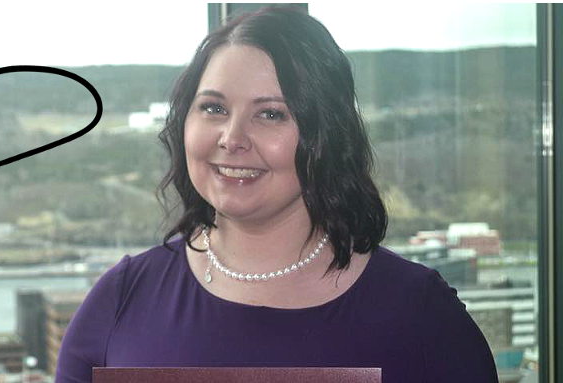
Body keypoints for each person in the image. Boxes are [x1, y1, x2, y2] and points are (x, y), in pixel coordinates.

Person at [55, 5, 498, 383]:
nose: (232, 138)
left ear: (327, 135)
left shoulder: (420, 316)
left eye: (270, 113)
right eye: (213, 108)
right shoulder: (121, 301)